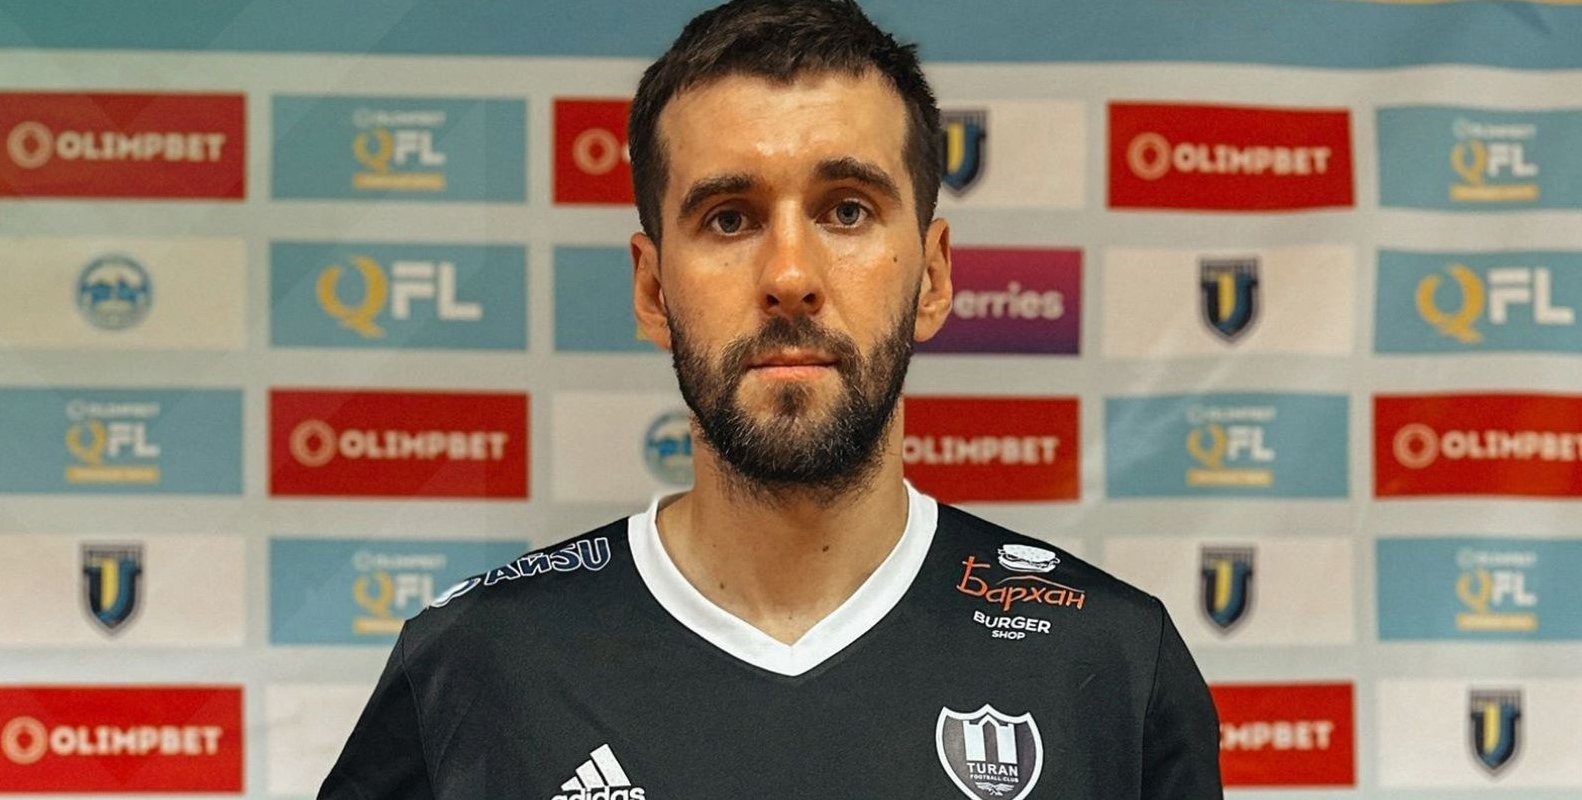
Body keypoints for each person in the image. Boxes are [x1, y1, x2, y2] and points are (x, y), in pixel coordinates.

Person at [320, 1, 1222, 797]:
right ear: (652, 290)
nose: (790, 275)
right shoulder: (472, 665)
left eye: (847, 210)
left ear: (934, 277)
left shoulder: (1109, 663)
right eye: (729, 218)